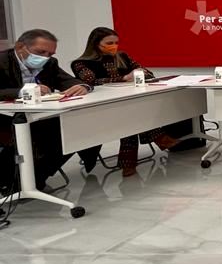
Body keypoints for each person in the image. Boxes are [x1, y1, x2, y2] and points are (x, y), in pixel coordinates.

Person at [71, 27, 180, 177]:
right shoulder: (81, 63)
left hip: (127, 104)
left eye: (116, 42)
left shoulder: (122, 56)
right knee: (131, 115)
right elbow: (90, 81)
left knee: (130, 115)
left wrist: (140, 73)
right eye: (109, 43)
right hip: (101, 107)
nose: (114, 46)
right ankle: (157, 138)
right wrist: (123, 78)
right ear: (96, 44)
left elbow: (148, 73)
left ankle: (129, 162)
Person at [0, 29, 90, 191]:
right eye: (40, 52)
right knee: (40, 134)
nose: (45, 58)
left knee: (73, 129)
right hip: (5, 118)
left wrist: (82, 86)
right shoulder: (2, 61)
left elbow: (68, 80)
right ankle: (10, 181)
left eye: (50, 54)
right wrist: (23, 91)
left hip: (40, 115)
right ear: (20, 47)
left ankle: (35, 179)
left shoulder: (50, 63)